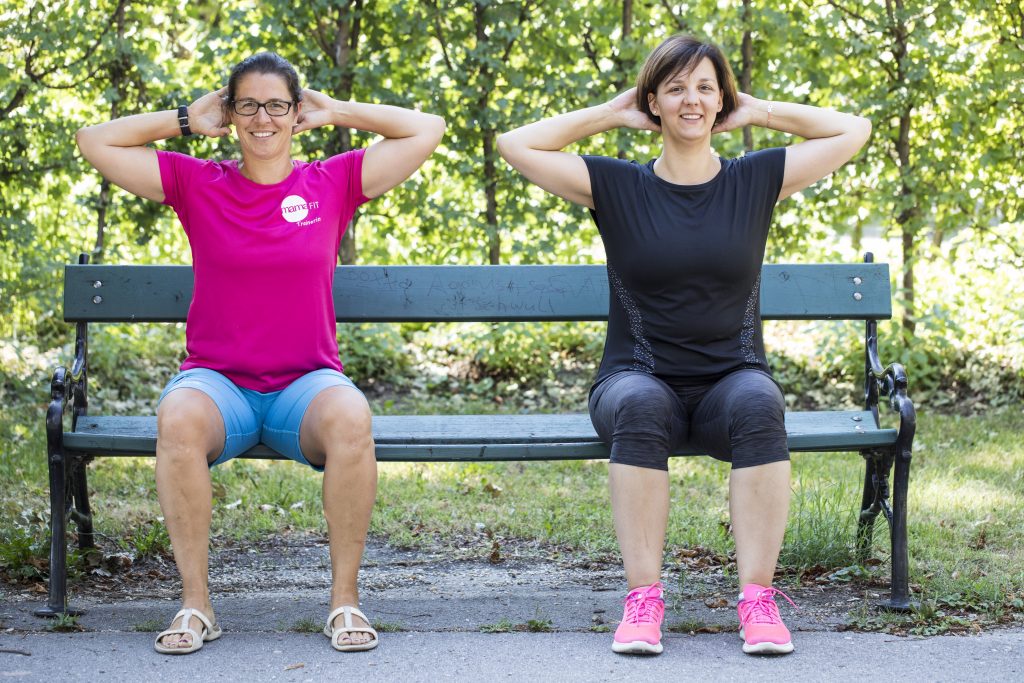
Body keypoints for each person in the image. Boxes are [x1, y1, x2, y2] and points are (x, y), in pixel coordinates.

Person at [497, 34, 870, 656]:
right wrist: (611, 114)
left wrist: (758, 110)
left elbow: (852, 131)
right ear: (654, 103)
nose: (691, 101)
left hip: (732, 379)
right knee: (642, 406)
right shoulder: (616, 186)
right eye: (675, 88)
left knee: (760, 402)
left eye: (705, 87)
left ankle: (757, 603)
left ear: (722, 99)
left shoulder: (755, 180)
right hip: (635, 380)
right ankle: (643, 602)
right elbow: (515, 144)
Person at [76, 52, 445, 655]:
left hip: (306, 386)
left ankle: (344, 601)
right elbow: (94, 141)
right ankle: (196, 605)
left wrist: (338, 111)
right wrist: (183, 121)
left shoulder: (333, 181)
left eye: (277, 105)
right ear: (230, 113)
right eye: (247, 104)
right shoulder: (200, 183)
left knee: (353, 418)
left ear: (296, 114)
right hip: (219, 384)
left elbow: (427, 129)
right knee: (177, 420)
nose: (263, 118)